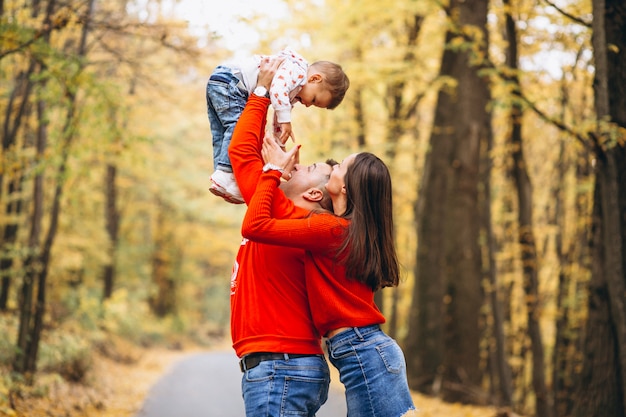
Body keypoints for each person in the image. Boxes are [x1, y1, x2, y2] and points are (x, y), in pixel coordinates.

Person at [241, 142, 417, 415]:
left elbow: (255, 226)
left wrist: (273, 171)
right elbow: (296, 202)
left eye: (341, 167)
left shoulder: (330, 229)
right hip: (366, 350)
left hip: (365, 351)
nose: (334, 167)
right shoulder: (347, 231)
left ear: (345, 187)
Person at [227, 57, 337, 417]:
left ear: (315, 195)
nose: (300, 164)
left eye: (311, 169)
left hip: (282, 366)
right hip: (280, 367)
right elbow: (248, 156)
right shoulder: (275, 206)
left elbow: (242, 153)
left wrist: (261, 91)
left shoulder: (286, 214)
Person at [206, 47, 350, 204]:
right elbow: (277, 90)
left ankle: (221, 174)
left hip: (222, 82)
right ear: (315, 78)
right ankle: (226, 174)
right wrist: (285, 120)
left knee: (222, 132)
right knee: (237, 126)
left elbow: (278, 110)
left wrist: (280, 141)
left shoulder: (295, 89)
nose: (308, 105)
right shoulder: (298, 72)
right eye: (314, 99)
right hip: (232, 83)